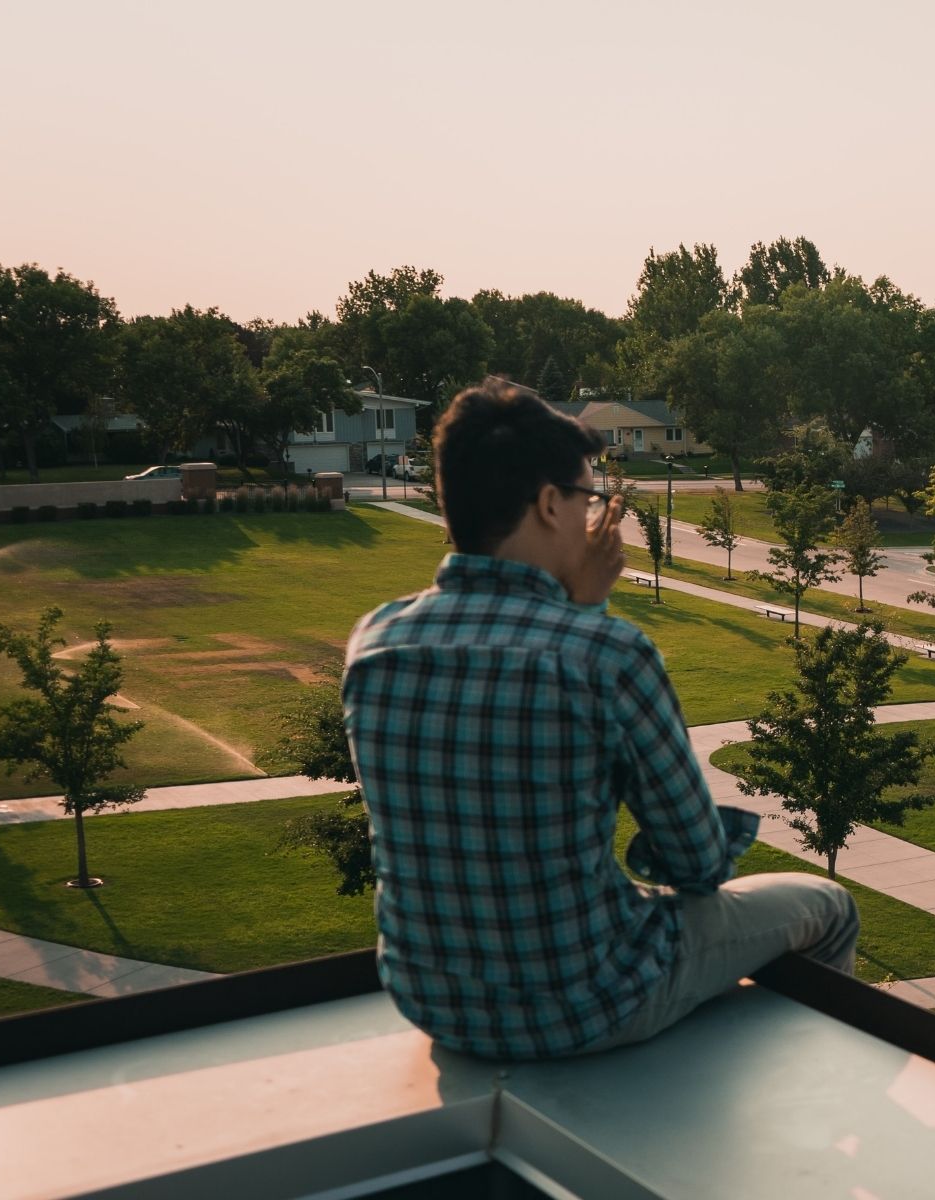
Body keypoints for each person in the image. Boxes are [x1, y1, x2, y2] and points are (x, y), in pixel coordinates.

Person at [342, 380, 857, 1060]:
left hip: (433, 1003)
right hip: (591, 1002)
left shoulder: (375, 643)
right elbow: (696, 863)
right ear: (551, 503)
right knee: (827, 905)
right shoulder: (605, 654)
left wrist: (574, 612)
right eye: (590, 499)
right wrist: (586, 614)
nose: (595, 518)